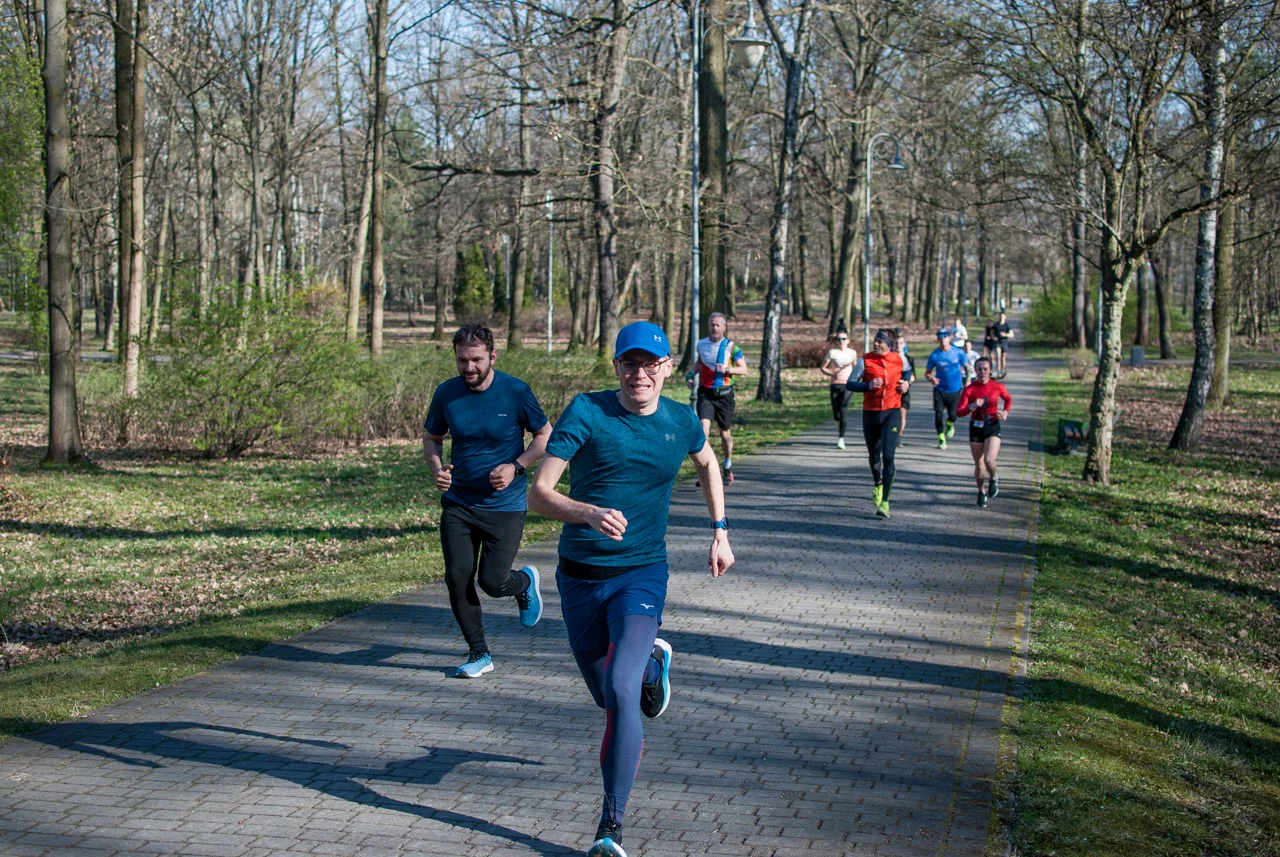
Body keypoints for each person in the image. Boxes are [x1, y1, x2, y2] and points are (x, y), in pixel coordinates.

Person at [530, 321, 734, 857]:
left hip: (641, 574)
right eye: (629, 363)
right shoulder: (588, 412)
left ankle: (609, 826)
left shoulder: (681, 420)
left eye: (650, 363)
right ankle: (653, 665)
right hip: (579, 577)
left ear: (668, 368)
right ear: (616, 366)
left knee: (621, 694)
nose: (639, 373)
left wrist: (719, 530)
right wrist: (587, 512)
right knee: (609, 696)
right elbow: (539, 493)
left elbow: (708, 462)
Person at [423, 323, 553, 678]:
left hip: (504, 505)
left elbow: (544, 436)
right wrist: (437, 468)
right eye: (462, 360)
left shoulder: (515, 391)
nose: (469, 368)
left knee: (492, 582)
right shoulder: (447, 393)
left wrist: (516, 466)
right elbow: (432, 437)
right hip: (460, 502)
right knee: (457, 576)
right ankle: (479, 652)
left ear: (492, 356)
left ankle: (524, 583)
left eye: (476, 360)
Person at [846, 328, 912, 518]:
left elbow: (908, 373)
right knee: (874, 455)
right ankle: (878, 484)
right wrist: (867, 385)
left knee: (889, 456)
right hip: (871, 414)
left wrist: (907, 384)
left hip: (892, 412)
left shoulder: (900, 359)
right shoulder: (865, 361)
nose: (876, 344)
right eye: (875, 340)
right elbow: (850, 383)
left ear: (889, 345)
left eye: (880, 341)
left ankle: (885, 502)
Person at [688, 312, 748, 485]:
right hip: (705, 393)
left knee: (724, 434)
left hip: (724, 395)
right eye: (711, 325)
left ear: (724, 327)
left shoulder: (731, 346)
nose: (714, 328)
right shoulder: (702, 344)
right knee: (703, 430)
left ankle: (727, 466)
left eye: (717, 325)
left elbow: (743, 369)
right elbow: (699, 363)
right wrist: (691, 376)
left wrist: (728, 370)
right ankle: (706, 470)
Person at [957, 357, 1013, 507]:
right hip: (976, 428)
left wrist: (1005, 413)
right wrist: (972, 407)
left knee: (989, 460)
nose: (982, 372)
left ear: (990, 371)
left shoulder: (997, 386)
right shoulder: (969, 389)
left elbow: (1008, 399)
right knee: (979, 464)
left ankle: (993, 478)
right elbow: (959, 411)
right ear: (975, 371)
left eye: (985, 369)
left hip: (992, 425)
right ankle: (981, 492)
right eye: (979, 369)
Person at [926, 327, 968, 449]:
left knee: (953, 415)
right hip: (940, 389)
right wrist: (931, 378)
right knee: (938, 414)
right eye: (940, 337)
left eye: (945, 336)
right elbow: (927, 372)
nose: (942, 339)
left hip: (955, 389)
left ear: (950, 337)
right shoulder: (934, 355)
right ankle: (941, 439)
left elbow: (967, 367)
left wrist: (969, 380)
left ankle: (950, 423)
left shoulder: (958, 352)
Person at [820, 328, 857, 449]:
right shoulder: (832, 353)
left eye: (844, 339)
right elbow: (823, 367)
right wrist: (832, 374)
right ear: (836, 341)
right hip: (835, 384)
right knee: (836, 413)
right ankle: (838, 421)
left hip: (847, 385)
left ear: (848, 340)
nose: (841, 341)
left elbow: (855, 368)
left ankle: (841, 438)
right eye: (839, 339)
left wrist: (855, 380)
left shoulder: (852, 353)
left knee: (843, 410)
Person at [894, 328, 915, 442]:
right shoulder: (890, 358)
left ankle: (898, 437)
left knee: (902, 416)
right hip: (892, 390)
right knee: (893, 416)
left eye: (901, 343)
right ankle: (892, 436)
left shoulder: (909, 359)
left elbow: (913, 375)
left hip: (904, 390)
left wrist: (907, 382)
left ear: (904, 344)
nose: (898, 345)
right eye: (896, 343)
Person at [994, 311, 1014, 377]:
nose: (1001, 318)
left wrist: (1005, 334)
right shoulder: (996, 325)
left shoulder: (1006, 325)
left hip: (1004, 342)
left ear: (1005, 317)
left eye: (1002, 316)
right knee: (998, 356)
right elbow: (992, 332)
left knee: (1003, 357)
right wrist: (993, 337)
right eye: (1000, 316)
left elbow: (1011, 334)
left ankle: (1002, 370)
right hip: (997, 342)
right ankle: (998, 370)